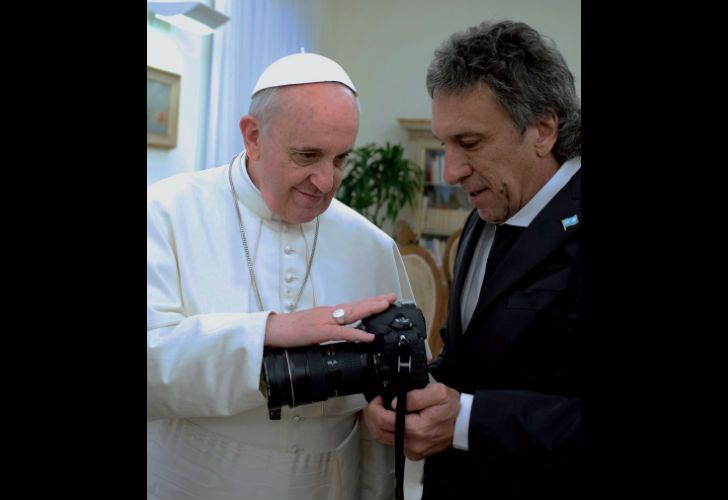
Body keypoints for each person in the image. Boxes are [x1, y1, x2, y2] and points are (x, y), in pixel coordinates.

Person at [147, 52, 414, 500]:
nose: (326, 181)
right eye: (307, 155)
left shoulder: (370, 244)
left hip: (330, 481)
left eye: (341, 159)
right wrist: (269, 331)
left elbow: (394, 382)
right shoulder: (166, 212)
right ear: (253, 136)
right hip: (199, 476)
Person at [364, 20, 582, 497]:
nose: (452, 170)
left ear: (543, 129)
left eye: (470, 143)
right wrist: (412, 394)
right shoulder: (486, 213)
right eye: (444, 143)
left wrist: (464, 419)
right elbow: (467, 359)